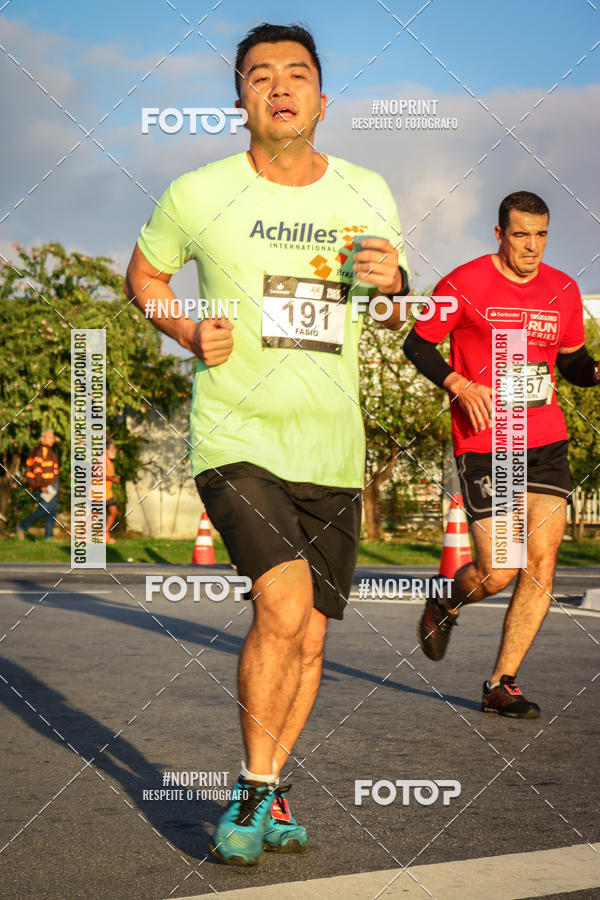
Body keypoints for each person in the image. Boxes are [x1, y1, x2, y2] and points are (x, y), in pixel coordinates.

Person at [125, 22, 409, 866]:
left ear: (323, 100)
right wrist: (180, 326)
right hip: (234, 435)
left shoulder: (367, 192)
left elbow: (394, 311)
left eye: (296, 75)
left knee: (312, 635)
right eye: (259, 76)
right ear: (240, 100)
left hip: (331, 447)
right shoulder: (197, 193)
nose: (279, 88)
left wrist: (397, 288)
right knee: (281, 606)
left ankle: (276, 781)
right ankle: (253, 789)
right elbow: (143, 275)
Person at [404, 190, 599, 719]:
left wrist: (597, 372)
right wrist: (458, 383)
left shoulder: (562, 288)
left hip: (545, 438)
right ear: (499, 234)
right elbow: (417, 343)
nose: (531, 246)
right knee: (499, 572)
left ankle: (501, 682)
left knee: (541, 564)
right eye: (520, 235)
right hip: (488, 440)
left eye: (540, 235)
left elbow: (573, 361)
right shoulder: (462, 283)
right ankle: (445, 602)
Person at [17, 429, 60, 541]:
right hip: (43, 487)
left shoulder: (50, 451)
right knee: (45, 509)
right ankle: (22, 526)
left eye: (52, 437)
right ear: (42, 438)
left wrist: (55, 486)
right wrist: (41, 486)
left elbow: (53, 471)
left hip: (51, 487)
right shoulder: (39, 451)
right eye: (49, 437)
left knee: (52, 510)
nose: (52, 439)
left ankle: (49, 536)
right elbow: (36, 470)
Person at [104, 440, 121, 544]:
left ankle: (106, 534)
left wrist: (113, 479)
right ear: (106, 450)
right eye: (112, 449)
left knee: (114, 512)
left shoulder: (109, 461)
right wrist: (113, 479)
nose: (114, 451)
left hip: (107, 493)